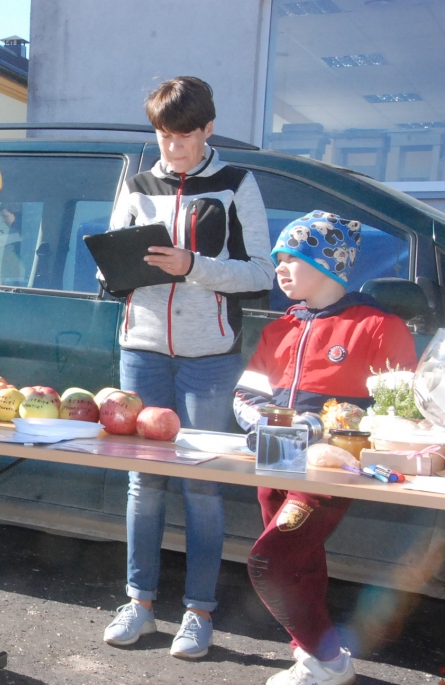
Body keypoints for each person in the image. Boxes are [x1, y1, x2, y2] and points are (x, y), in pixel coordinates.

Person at [101, 76, 275, 659]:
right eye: (162, 134)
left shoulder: (236, 182)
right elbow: (111, 261)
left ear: (206, 129)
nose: (171, 146)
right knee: (142, 482)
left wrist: (192, 265)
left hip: (210, 359)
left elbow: (260, 273)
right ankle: (140, 602)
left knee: (202, 487)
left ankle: (198, 612)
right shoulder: (137, 181)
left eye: (182, 135)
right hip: (142, 349)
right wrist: (112, 270)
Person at [233, 211, 417, 685]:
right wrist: (265, 423)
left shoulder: (377, 326)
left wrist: (317, 427)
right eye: (277, 259)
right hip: (273, 458)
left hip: (333, 471)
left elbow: (400, 412)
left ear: (330, 264)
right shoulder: (280, 328)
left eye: (292, 257)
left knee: (270, 562)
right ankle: (310, 657)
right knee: (302, 564)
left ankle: (330, 659)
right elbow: (245, 395)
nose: (280, 268)